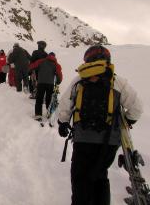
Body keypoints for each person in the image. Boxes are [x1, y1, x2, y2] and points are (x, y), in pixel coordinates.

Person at [57, 45, 143, 205]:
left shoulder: (79, 80)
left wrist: (62, 123)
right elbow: (136, 108)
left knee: (80, 177)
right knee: (100, 176)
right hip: (109, 140)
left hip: (83, 138)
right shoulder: (117, 81)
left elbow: (64, 106)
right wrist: (128, 121)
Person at [29, 52, 62, 121]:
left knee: (39, 99)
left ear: (48, 56)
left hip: (41, 83)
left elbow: (32, 66)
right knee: (49, 98)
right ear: (54, 57)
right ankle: (49, 112)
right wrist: (58, 81)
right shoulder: (56, 64)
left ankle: (38, 115)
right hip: (50, 84)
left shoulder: (41, 61)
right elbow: (59, 74)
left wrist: (31, 71)